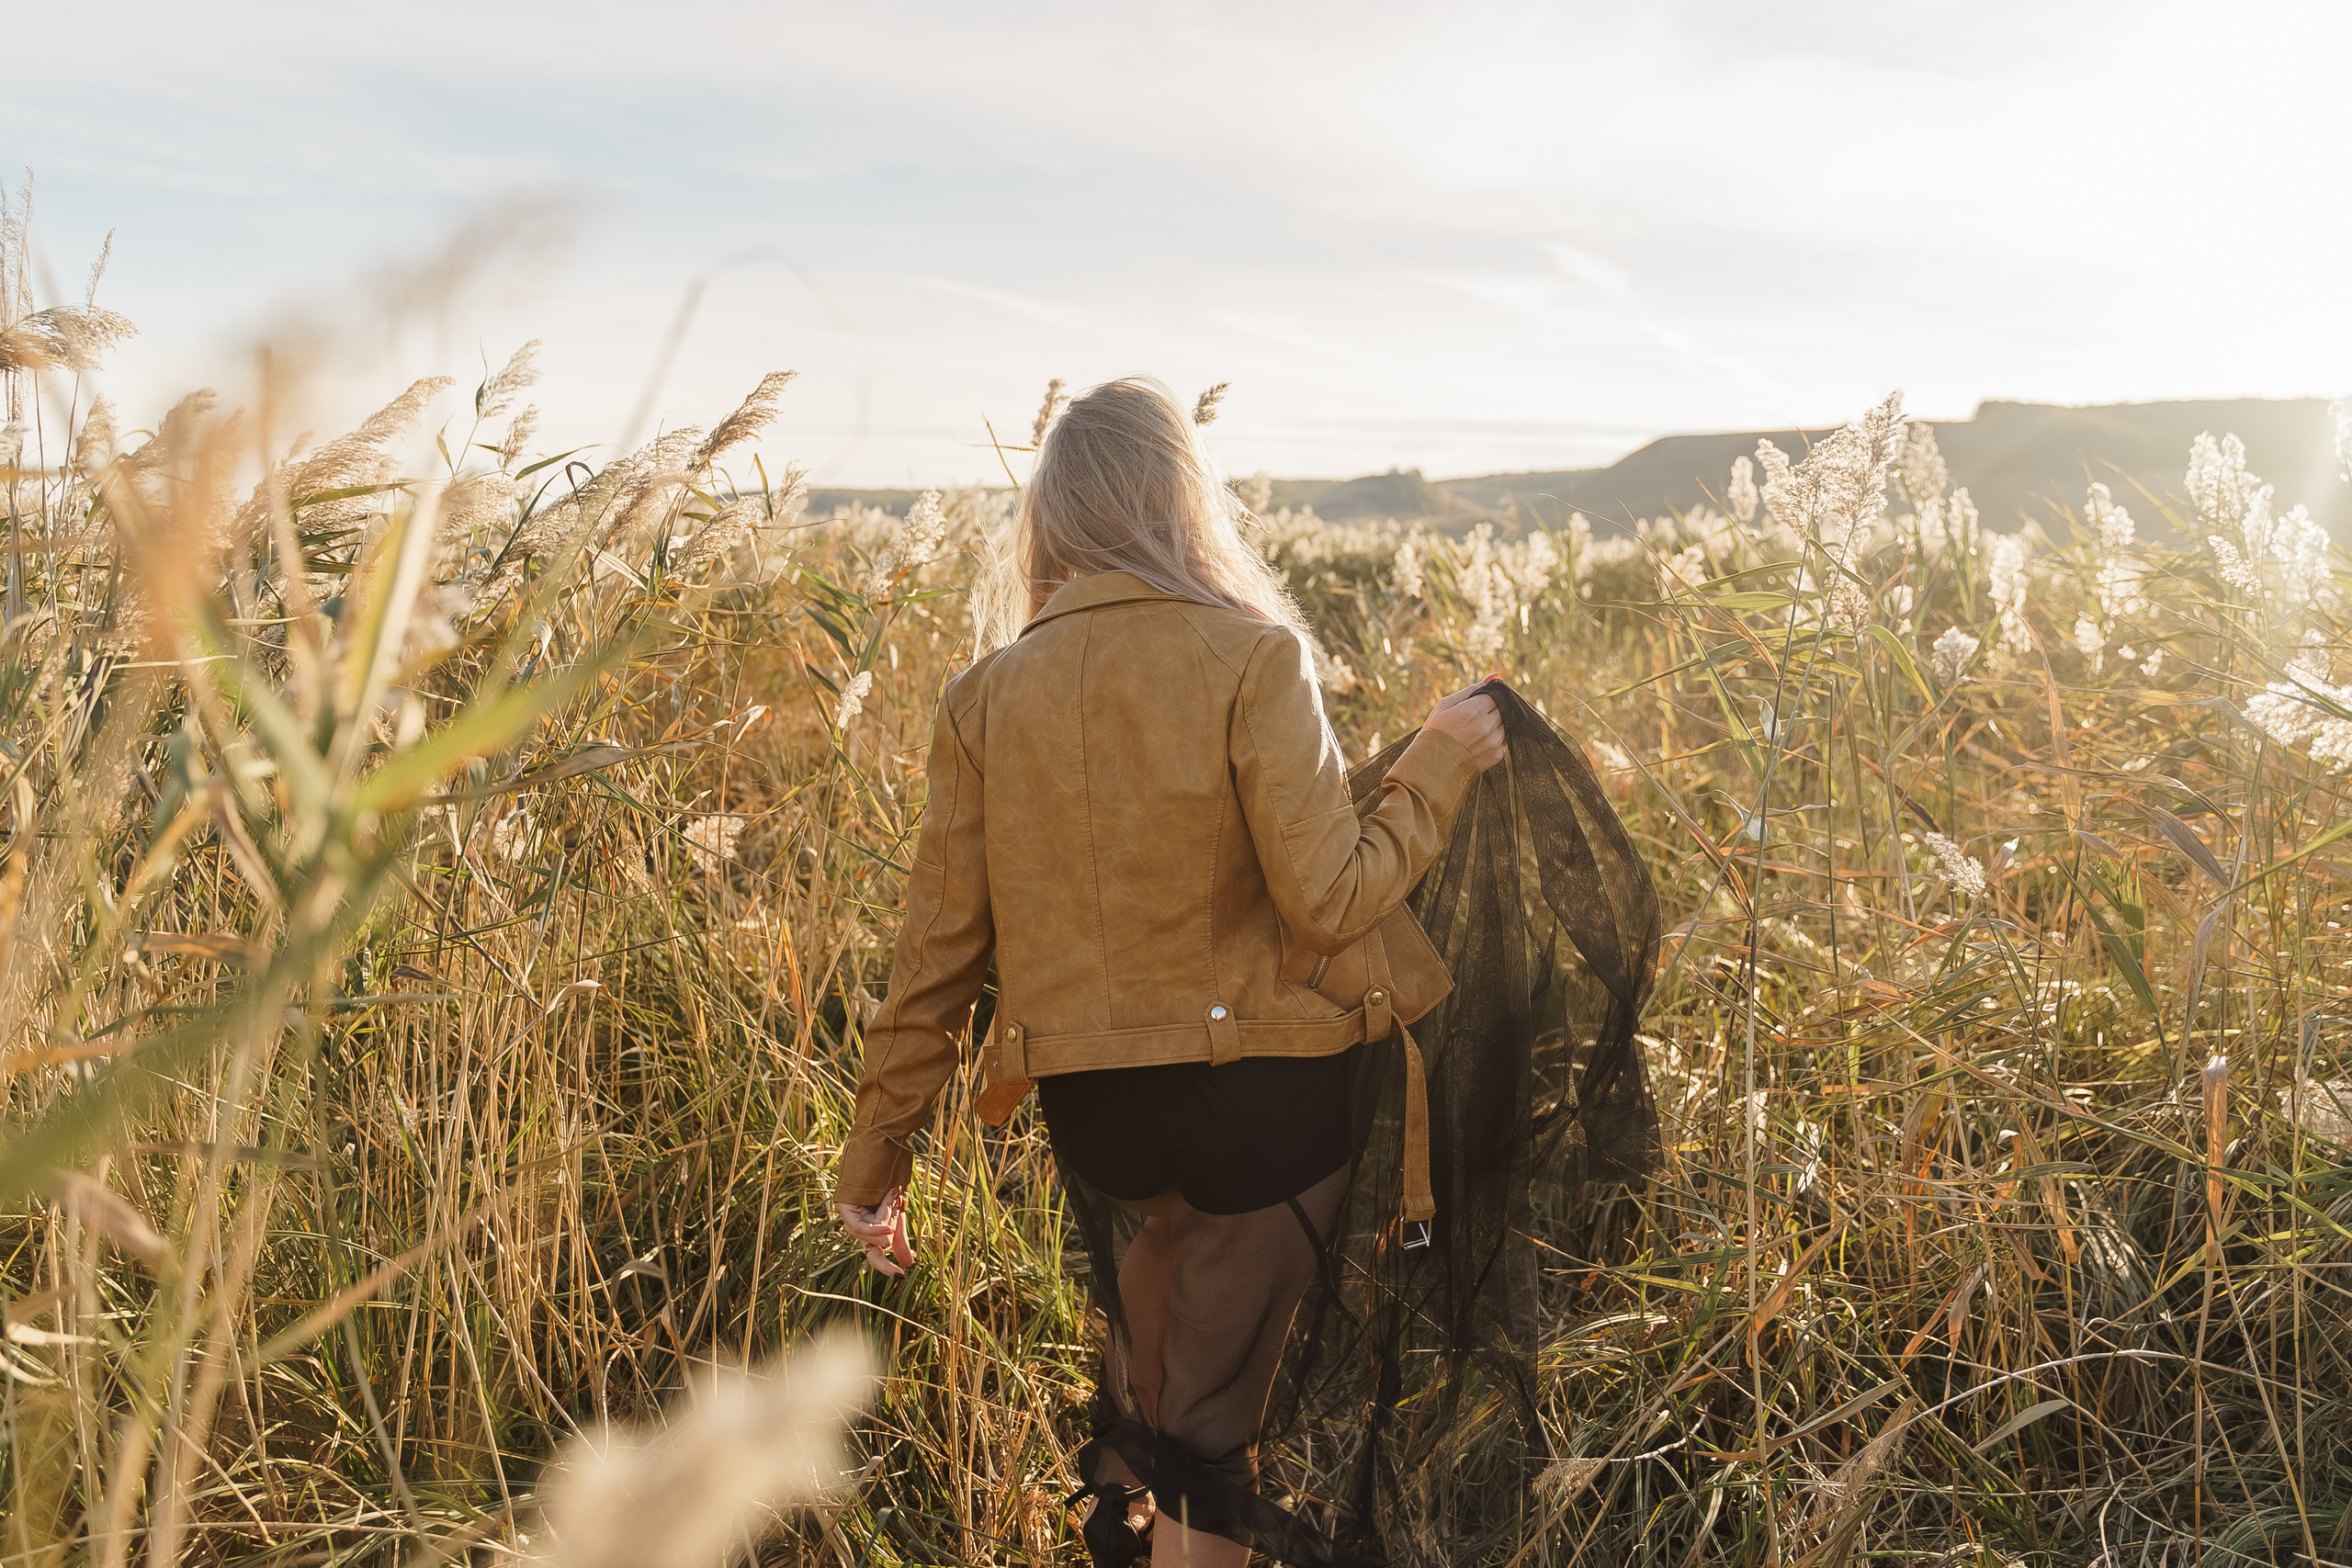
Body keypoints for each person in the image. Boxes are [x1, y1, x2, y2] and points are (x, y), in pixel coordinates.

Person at [832, 377, 1506, 1567]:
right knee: (1211, 1444)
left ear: (1051, 519)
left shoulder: (982, 698)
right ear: (1184, 506)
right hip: (1266, 1109)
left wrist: (875, 1160)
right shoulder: (1256, 656)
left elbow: (933, 963)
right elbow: (1335, 897)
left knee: (1171, 1301)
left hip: (1102, 1125)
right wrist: (1437, 766)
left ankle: (1136, 1500)